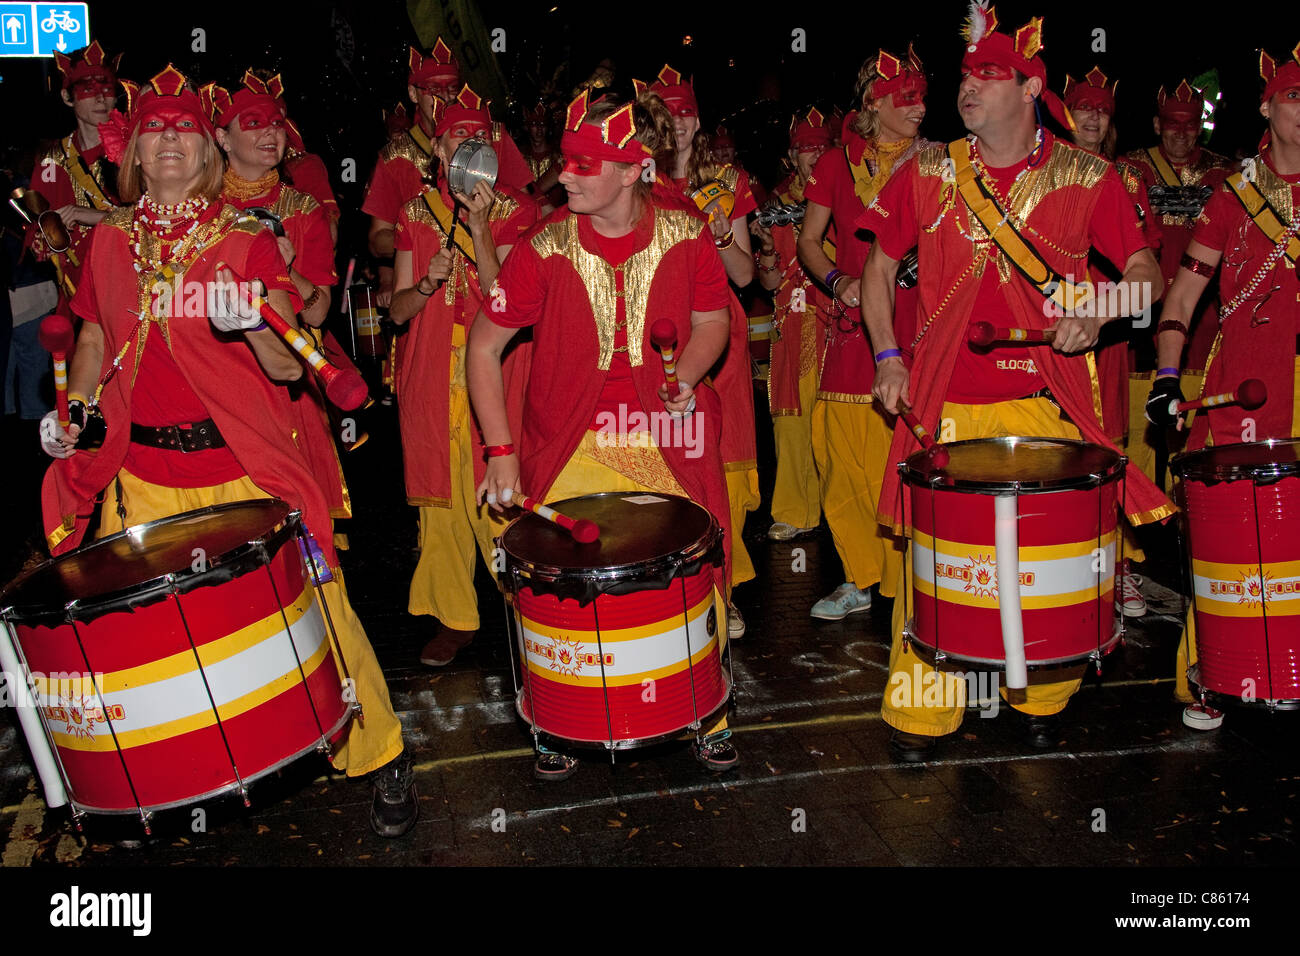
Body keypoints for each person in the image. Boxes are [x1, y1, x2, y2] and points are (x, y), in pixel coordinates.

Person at [36, 66, 417, 837]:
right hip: (141, 476)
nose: (170, 138)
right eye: (156, 128)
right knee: (164, 637)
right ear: (135, 149)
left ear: (206, 150)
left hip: (241, 467)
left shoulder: (245, 241)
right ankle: (194, 766)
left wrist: (249, 324)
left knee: (317, 607)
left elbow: (290, 365)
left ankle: (379, 750)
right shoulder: (109, 240)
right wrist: (75, 409)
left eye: (185, 127)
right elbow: (93, 334)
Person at [858, 5, 1171, 761]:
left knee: (1041, 567)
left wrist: (1100, 311)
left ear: (1030, 88)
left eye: (988, 75)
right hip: (944, 407)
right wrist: (887, 357)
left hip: (1044, 405)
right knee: (937, 570)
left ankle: (1041, 692)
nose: (969, 87)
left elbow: (1147, 278)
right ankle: (928, 713)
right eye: (966, 74)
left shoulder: (1087, 176)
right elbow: (874, 267)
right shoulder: (924, 172)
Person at [466, 88, 740, 776]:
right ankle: (560, 719)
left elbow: (714, 321)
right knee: (561, 580)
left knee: (697, 572)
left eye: (585, 164)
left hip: (666, 439)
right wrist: (502, 453)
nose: (564, 175)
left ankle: (708, 709)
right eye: (566, 160)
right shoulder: (544, 246)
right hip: (571, 442)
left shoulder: (688, 234)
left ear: (632, 168)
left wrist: (689, 376)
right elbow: (482, 346)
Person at [1146, 41, 1300, 731]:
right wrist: (1169, 375)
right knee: (1234, 535)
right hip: (1248, 382)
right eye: (1296, 97)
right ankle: (1210, 673)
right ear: (1268, 106)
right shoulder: (1230, 197)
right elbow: (1183, 292)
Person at [386, 86, 536, 667]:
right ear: (439, 151)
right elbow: (397, 311)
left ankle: (527, 606)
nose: (468, 144)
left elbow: (508, 300)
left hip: (491, 377)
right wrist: (424, 284)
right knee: (441, 503)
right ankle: (455, 617)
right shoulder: (414, 215)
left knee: (500, 500)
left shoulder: (519, 212)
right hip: (429, 378)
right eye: (456, 136)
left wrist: (477, 226)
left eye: (479, 136)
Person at [796, 46, 931, 621]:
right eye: (908, 99)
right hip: (853, 332)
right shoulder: (833, 165)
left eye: (923, 98)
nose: (920, 108)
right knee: (845, 461)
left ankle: (913, 583)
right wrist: (836, 278)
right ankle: (859, 576)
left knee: (904, 461)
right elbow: (808, 242)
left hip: (919, 327)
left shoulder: (940, 162)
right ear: (875, 103)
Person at [204, 71, 353, 544]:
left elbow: (317, 313)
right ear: (222, 138)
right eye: (253, 123)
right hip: (218, 376)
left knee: (302, 525)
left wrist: (288, 270)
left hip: (287, 377)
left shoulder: (302, 208)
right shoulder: (200, 206)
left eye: (277, 122)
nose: (271, 133)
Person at [641, 64, 758, 638]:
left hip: (715, 334)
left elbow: (744, 274)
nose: (679, 124)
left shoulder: (725, 181)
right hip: (656, 329)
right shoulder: (637, 181)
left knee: (720, 470)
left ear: (698, 118)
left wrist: (719, 235)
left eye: (686, 111)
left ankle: (723, 593)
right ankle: (665, 589)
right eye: (667, 113)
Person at [1063, 65, 1154, 617]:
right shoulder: (1045, 174)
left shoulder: (1129, 181)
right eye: (1083, 107)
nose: (1093, 116)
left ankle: (1118, 570)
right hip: (1050, 332)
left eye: (1102, 109)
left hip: (1107, 337)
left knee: (1108, 449)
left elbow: (1144, 264)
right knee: (1061, 455)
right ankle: (1064, 565)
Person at [1123, 79, 1234, 434]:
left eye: (1191, 124)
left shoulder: (1226, 174)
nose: (1182, 133)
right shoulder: (1129, 169)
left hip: (1203, 306)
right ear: (1158, 125)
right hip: (1145, 303)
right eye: (1173, 123)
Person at [754, 108, 831, 542]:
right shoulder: (777, 205)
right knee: (789, 420)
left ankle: (836, 507)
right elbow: (768, 281)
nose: (814, 155)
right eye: (805, 148)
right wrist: (766, 248)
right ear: (791, 155)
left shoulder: (847, 195)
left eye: (821, 146)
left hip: (837, 324)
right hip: (792, 322)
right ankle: (793, 511)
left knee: (833, 423)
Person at [28, 40, 122, 298]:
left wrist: (91, 215)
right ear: (67, 97)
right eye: (88, 89)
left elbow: (155, 221)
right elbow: (40, 216)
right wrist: (42, 240)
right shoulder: (53, 156)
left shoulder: (136, 151)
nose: (101, 97)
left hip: (125, 276)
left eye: (107, 87)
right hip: (76, 282)